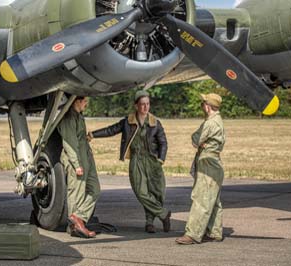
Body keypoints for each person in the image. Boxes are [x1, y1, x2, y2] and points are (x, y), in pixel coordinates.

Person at [88, 90, 171, 233]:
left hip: (153, 161)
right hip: (136, 160)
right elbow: (111, 130)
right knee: (141, 192)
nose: (145, 107)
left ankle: (149, 223)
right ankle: (163, 214)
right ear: (136, 105)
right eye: (142, 104)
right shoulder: (128, 122)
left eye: (147, 104)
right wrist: (93, 134)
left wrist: (161, 159)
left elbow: (163, 142)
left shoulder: (155, 123)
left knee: (157, 192)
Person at [176, 93, 225, 245]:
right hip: (214, 162)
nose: (202, 106)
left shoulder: (210, 123)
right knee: (213, 199)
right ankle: (214, 232)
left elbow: (196, 139)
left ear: (207, 106)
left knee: (202, 198)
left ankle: (193, 234)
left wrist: (200, 142)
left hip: (208, 162)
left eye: (203, 103)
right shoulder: (216, 120)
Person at [57, 96, 100, 238]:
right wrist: (76, 164)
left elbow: (78, 139)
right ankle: (76, 227)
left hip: (86, 158)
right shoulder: (69, 118)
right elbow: (69, 143)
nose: (86, 104)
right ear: (76, 101)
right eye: (84, 101)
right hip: (76, 160)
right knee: (76, 193)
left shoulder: (79, 116)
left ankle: (77, 218)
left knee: (95, 189)